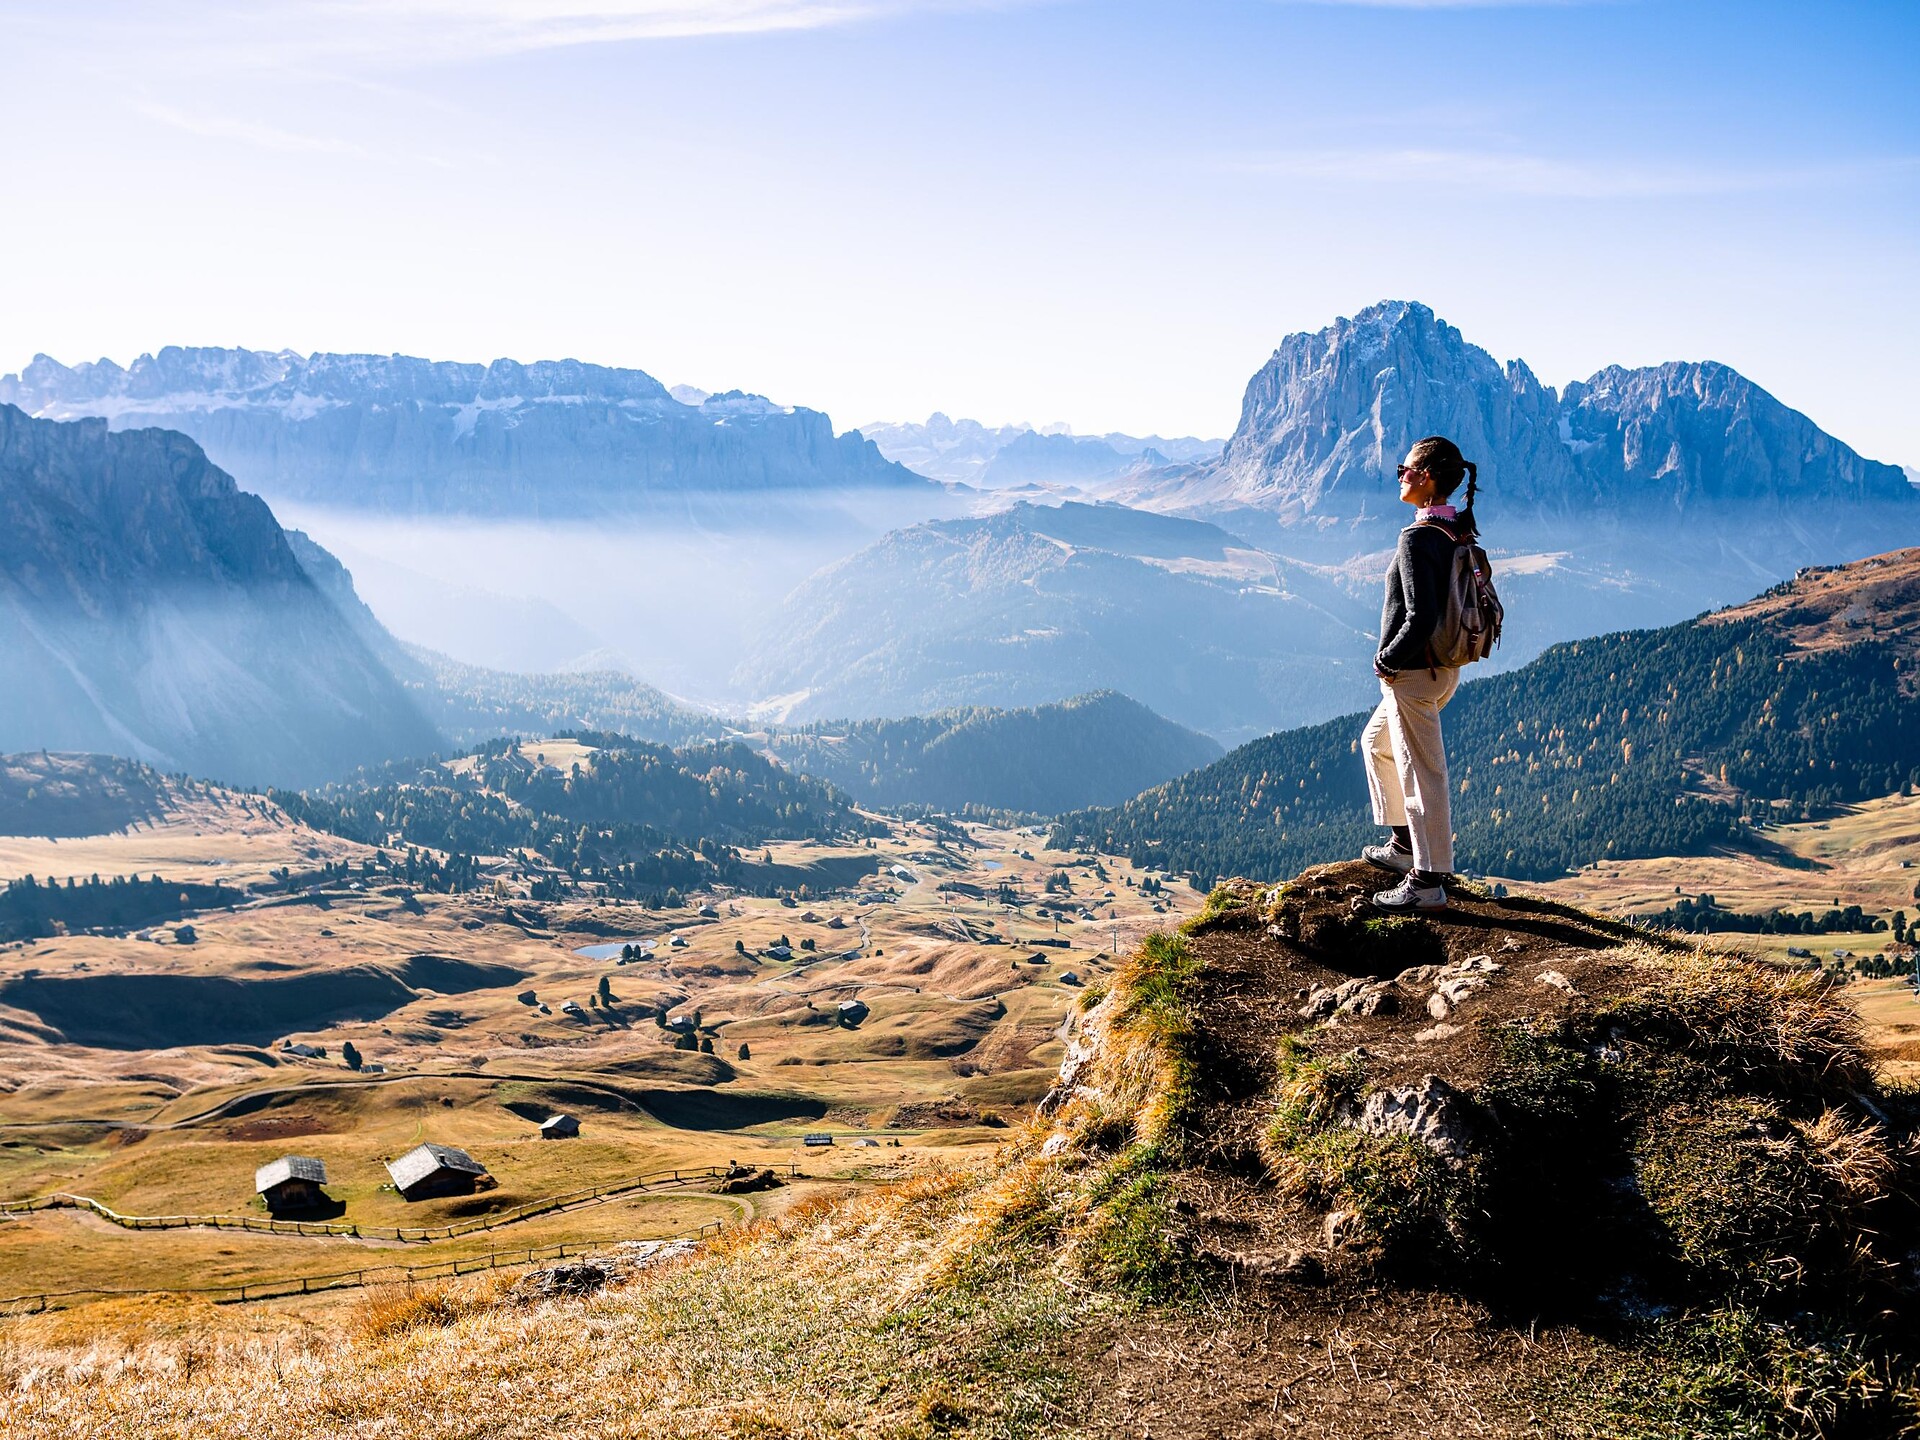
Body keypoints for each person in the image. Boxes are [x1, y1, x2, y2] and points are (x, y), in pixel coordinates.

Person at [1360, 436, 1480, 911]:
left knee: (1422, 771)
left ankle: (1427, 882)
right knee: (1377, 743)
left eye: (1405, 470)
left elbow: (1422, 614)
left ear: (1426, 477)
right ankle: (1405, 845)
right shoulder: (1454, 530)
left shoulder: (1416, 537)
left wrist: (1387, 658)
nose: (1400, 476)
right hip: (1442, 668)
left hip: (1413, 672)